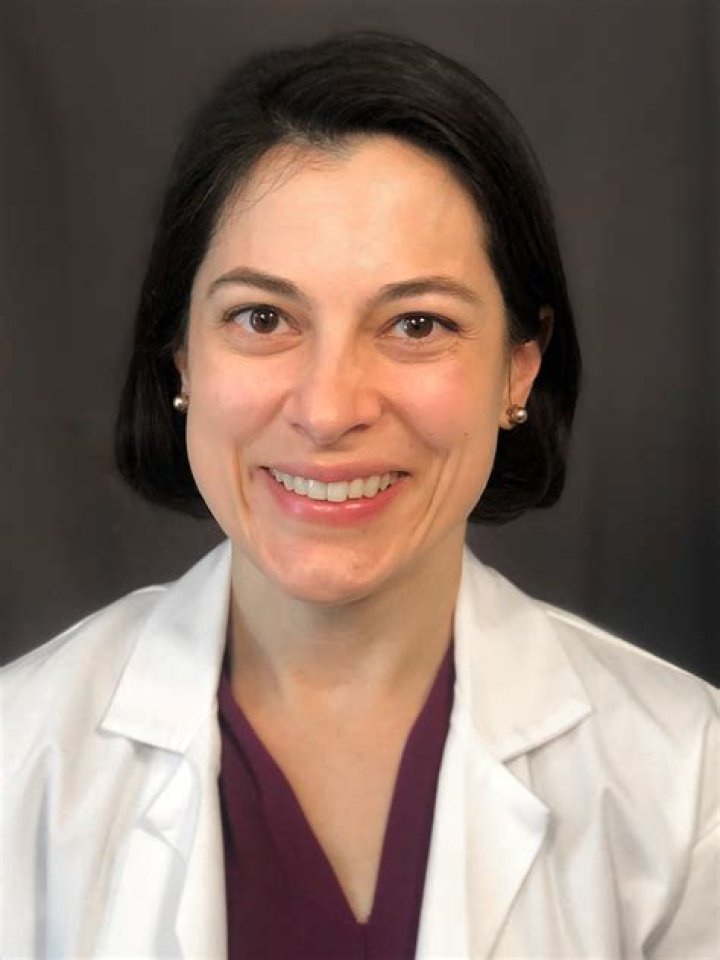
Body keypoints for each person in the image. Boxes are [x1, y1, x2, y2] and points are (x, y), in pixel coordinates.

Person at [1, 30, 717, 960]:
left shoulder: (688, 781)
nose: (329, 408)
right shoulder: (18, 755)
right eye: (263, 317)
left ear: (519, 368)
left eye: (416, 324)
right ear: (181, 357)